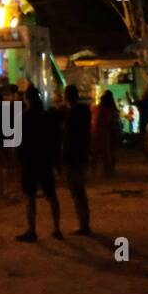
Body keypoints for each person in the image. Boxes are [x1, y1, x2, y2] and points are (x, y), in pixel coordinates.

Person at [16, 85, 63, 242]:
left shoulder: (23, 117)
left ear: (27, 99)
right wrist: (55, 160)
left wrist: (19, 158)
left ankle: (32, 230)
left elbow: (18, 141)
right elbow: (55, 138)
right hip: (45, 160)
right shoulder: (47, 116)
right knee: (51, 195)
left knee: (30, 197)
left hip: (29, 160)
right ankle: (56, 228)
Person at [61, 85, 93, 234]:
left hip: (72, 156)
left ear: (66, 97)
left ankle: (83, 225)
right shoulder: (84, 112)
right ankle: (84, 222)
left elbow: (68, 136)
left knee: (76, 192)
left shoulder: (71, 115)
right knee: (80, 191)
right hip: (82, 155)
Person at [91, 89, 119, 178]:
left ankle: (95, 171)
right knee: (107, 153)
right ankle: (108, 171)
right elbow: (113, 122)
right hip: (107, 132)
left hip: (97, 132)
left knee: (96, 153)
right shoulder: (110, 110)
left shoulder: (96, 109)